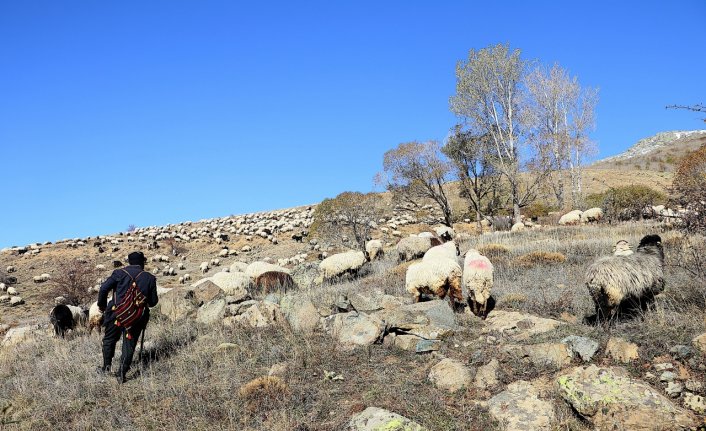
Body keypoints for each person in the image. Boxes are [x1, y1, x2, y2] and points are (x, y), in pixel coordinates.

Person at [97, 251, 158, 383]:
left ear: (129, 262)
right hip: (136, 317)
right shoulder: (149, 278)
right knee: (129, 344)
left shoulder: (119, 273)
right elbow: (153, 302)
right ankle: (121, 373)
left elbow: (103, 289)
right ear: (142, 262)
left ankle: (106, 367)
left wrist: (102, 305)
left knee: (109, 340)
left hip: (115, 314)